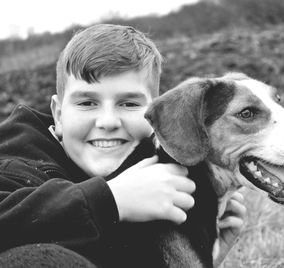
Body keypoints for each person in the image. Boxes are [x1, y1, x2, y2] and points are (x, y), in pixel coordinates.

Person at [0, 24, 246, 267]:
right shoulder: (16, 163)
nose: (108, 121)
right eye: (87, 103)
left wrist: (199, 254)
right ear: (59, 116)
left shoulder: (154, 179)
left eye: (129, 104)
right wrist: (110, 201)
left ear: (157, 117)